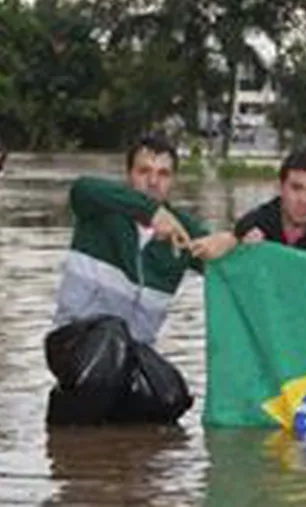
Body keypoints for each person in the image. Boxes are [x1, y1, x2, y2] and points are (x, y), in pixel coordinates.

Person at [44, 134, 237, 426]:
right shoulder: (100, 210)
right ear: (129, 175)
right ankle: (65, 437)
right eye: (143, 171)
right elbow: (82, 188)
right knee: (112, 335)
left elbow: (235, 273)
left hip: (131, 352)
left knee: (171, 397)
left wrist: (234, 238)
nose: (153, 181)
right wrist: (150, 212)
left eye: (163, 174)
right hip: (73, 342)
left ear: (173, 181)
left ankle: (113, 438)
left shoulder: (183, 233)